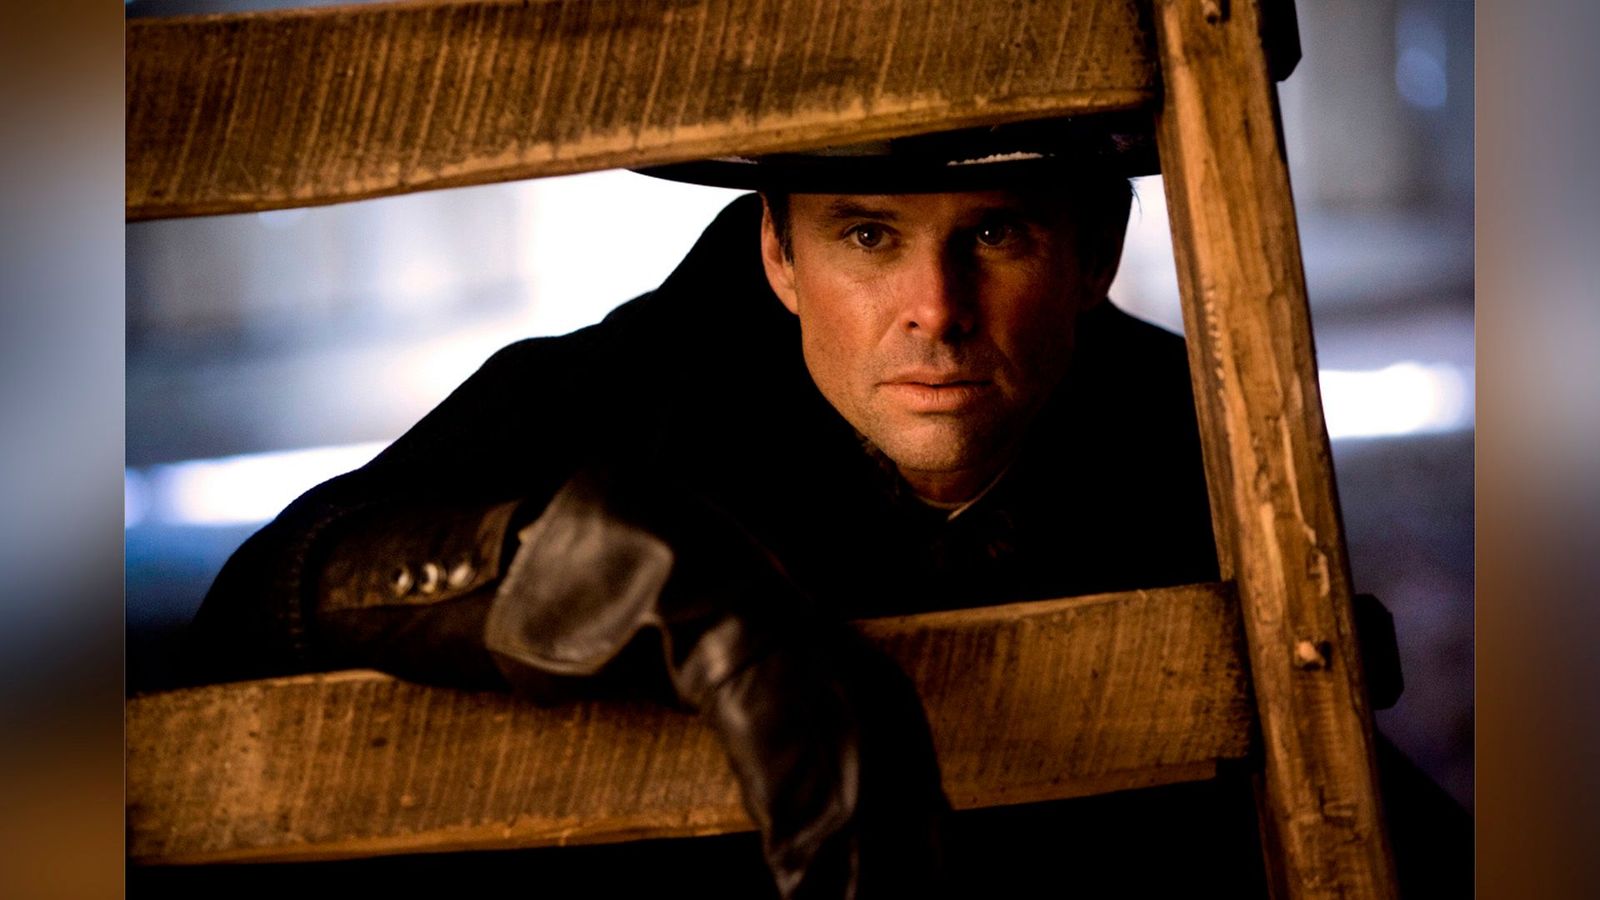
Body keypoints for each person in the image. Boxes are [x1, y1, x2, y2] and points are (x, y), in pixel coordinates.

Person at [183, 115, 1260, 897]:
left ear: (1094, 255)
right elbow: (253, 609)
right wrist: (577, 574)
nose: (936, 311)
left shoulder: (1204, 439)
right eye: (868, 236)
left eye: (995, 235)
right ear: (778, 254)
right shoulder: (617, 399)